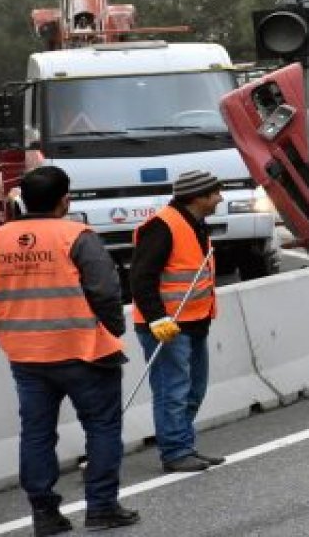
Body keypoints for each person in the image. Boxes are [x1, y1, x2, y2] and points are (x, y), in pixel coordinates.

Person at [0, 166, 139, 535]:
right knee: (102, 427)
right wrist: (110, 332)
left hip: (27, 357)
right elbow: (107, 291)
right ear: (65, 199)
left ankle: (44, 515)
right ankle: (102, 508)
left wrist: (14, 332)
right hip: (86, 351)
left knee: (36, 434)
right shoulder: (77, 236)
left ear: (23, 200)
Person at [130, 169, 225, 472]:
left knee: (193, 389)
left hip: (194, 321)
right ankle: (175, 451)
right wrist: (157, 318)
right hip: (167, 327)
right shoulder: (161, 227)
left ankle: (183, 444)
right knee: (173, 390)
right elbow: (141, 277)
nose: (220, 198)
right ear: (198, 197)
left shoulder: (196, 224)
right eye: (214, 194)